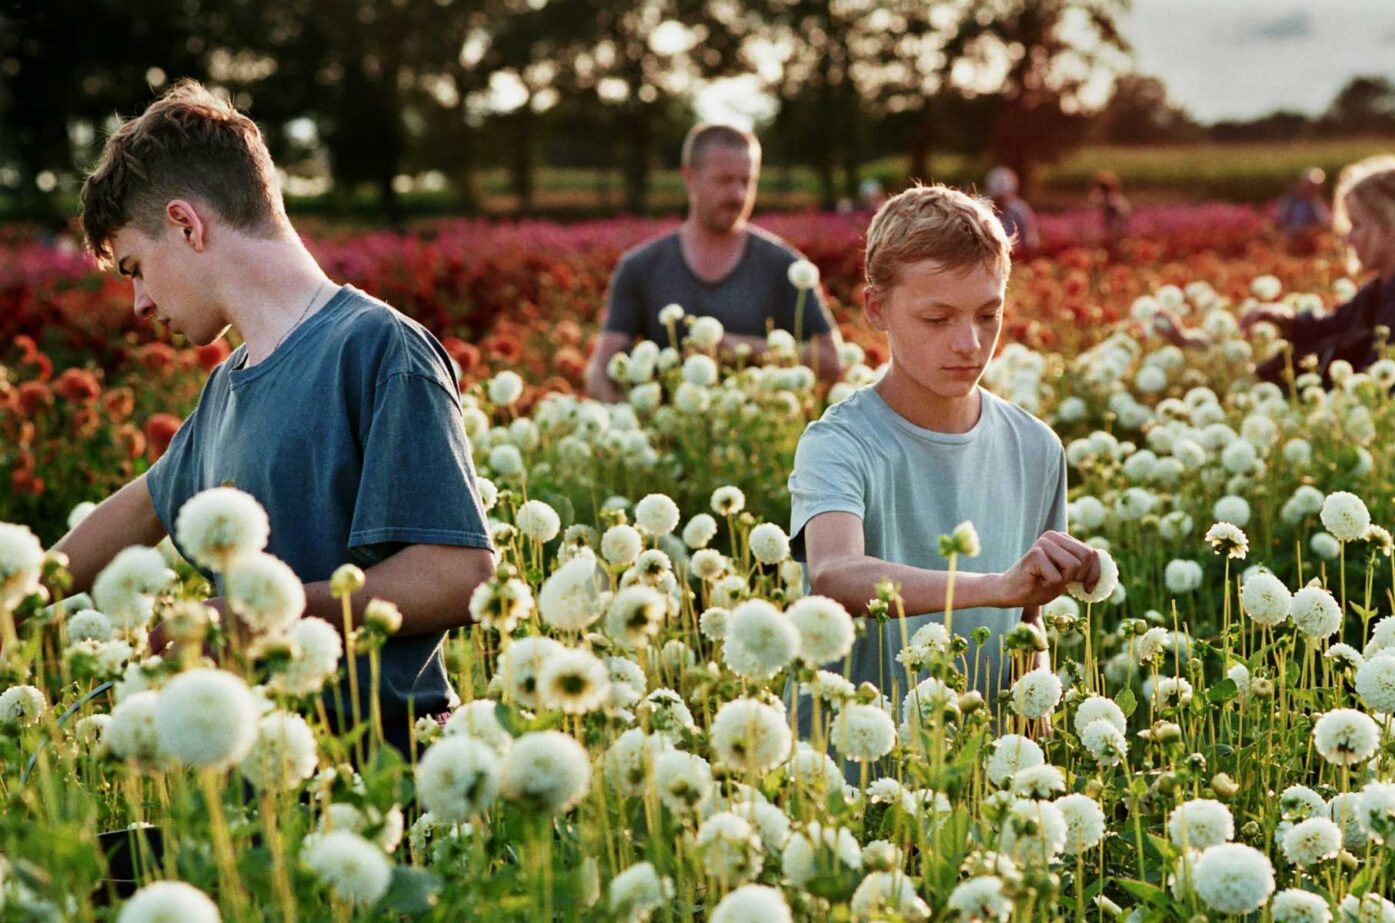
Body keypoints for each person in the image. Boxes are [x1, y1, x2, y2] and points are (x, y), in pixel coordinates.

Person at [55, 80, 495, 755]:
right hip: (259, 784)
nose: (140, 303)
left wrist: (263, 614)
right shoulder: (226, 389)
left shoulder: (377, 348)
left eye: (136, 268)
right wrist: (14, 595)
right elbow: (137, 510)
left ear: (185, 223)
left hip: (379, 775)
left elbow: (457, 574)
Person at [787, 185, 1100, 734]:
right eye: (938, 319)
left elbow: (1029, 625)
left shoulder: (1036, 447)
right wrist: (996, 586)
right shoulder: (838, 442)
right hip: (846, 774)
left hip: (975, 777)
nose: (970, 344)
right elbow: (835, 575)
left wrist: (1035, 749)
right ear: (876, 309)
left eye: (988, 314)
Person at [585, 124, 843, 402]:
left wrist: (743, 348)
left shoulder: (785, 266)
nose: (738, 195)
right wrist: (632, 423)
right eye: (725, 180)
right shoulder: (640, 267)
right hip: (668, 435)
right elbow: (600, 371)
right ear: (689, 177)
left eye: (747, 181)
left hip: (757, 434)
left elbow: (831, 360)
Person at [1158, 155, 1395, 383]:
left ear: (1392, 225)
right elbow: (1330, 329)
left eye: (1356, 224)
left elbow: (1373, 396)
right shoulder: (1386, 290)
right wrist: (1281, 320)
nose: (1347, 236)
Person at [984, 165, 1040, 251]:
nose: (1000, 202)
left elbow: (1031, 242)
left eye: (1003, 198)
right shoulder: (983, 210)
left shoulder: (1020, 210)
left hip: (1016, 256)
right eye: (997, 198)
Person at [1275, 167, 1331, 253]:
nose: (1313, 190)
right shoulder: (1290, 201)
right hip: (1290, 244)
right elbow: (1280, 222)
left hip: (1309, 247)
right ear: (1303, 183)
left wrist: (1309, 232)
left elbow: (1325, 223)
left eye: (1316, 187)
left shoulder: (1316, 203)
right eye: (1311, 186)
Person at [1090, 171, 1130, 248]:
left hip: (1115, 227)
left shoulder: (1112, 199)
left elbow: (1122, 213)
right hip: (1115, 227)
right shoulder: (1115, 197)